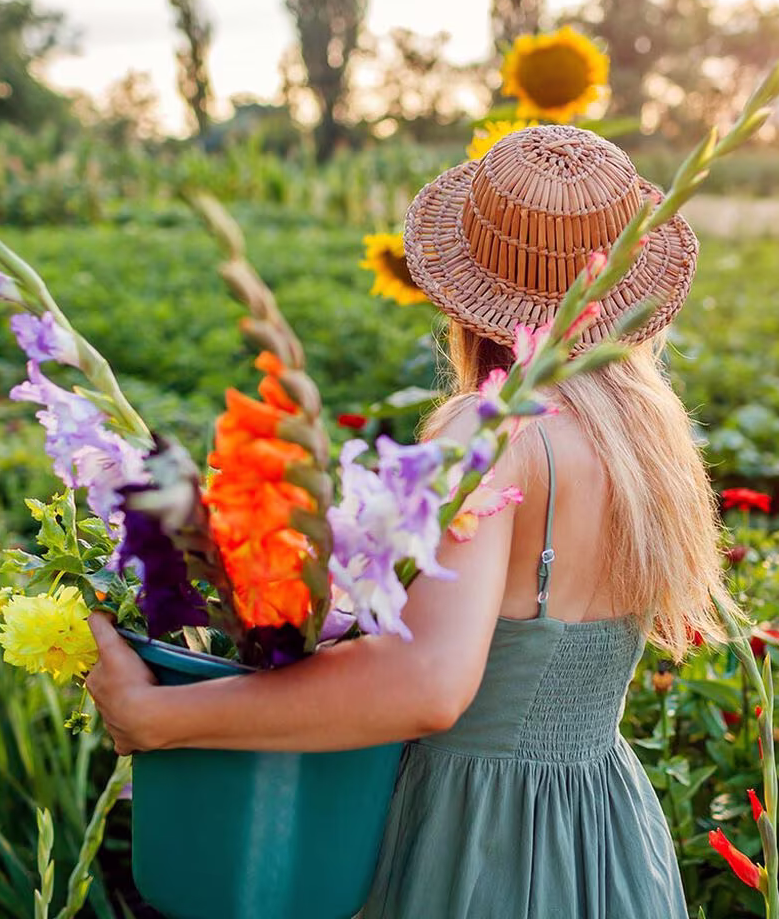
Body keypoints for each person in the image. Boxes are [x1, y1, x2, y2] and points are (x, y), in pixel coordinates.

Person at [85, 125, 743, 919]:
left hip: (477, 839)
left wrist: (158, 717)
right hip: (601, 829)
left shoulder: (493, 427)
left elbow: (429, 684)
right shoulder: (651, 439)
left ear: (466, 294)